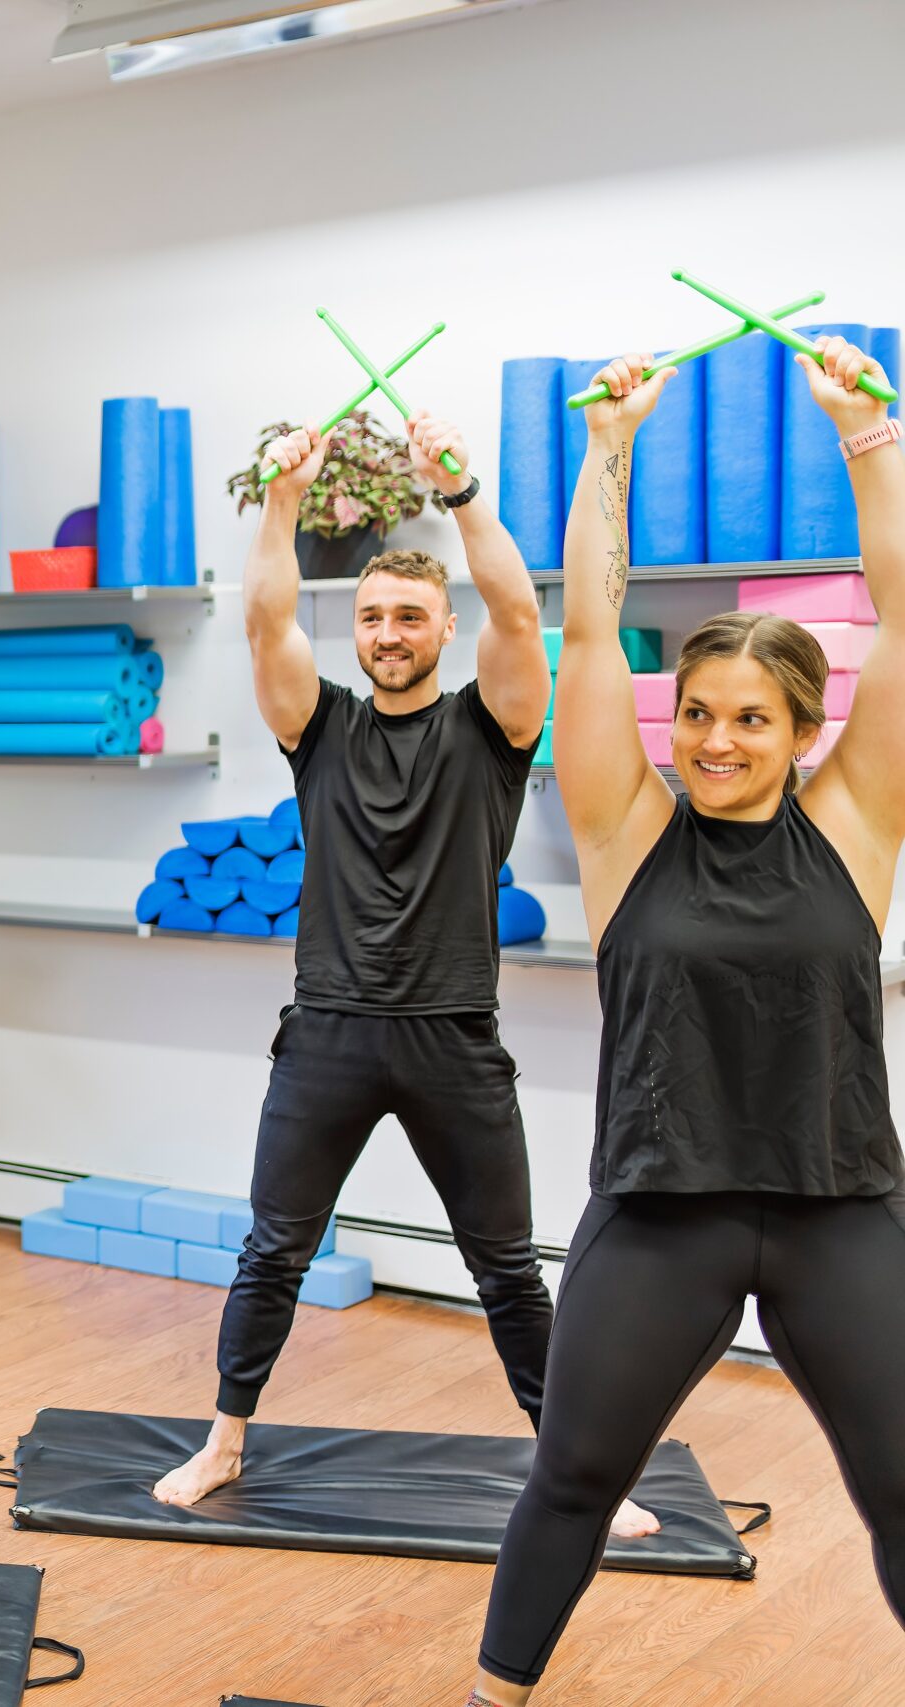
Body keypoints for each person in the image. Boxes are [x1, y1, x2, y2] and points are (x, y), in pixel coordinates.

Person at [463, 338, 905, 1705]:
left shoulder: (857, 821)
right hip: (664, 1207)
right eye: (699, 713)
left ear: (801, 728)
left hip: (839, 1204)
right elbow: (587, 633)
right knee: (577, 1476)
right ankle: (496, 1695)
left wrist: (865, 437)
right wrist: (613, 447)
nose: (718, 739)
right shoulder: (624, 826)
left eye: (753, 719)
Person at [154, 408, 657, 1538]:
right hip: (326, 1031)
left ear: (442, 629)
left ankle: (581, 1470)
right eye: (373, 616)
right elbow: (265, 616)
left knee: (506, 1273)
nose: (387, 633)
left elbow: (526, 612)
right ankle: (223, 1444)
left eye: (409, 617)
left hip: (453, 1038)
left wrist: (463, 489)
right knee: (273, 1250)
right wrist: (282, 495)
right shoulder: (315, 725)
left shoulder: (492, 729)